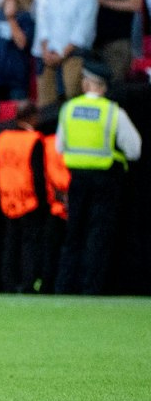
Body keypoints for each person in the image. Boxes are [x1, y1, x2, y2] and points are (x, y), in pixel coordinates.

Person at [54, 64, 142, 295]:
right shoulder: (113, 112)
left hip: (77, 180)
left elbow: (59, 147)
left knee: (73, 234)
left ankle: (64, 287)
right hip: (105, 181)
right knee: (97, 236)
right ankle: (89, 289)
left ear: (85, 84)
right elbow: (134, 150)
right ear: (103, 86)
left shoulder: (69, 108)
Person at [0, 103, 69, 293]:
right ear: (33, 117)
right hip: (28, 199)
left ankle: (8, 283)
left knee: (10, 243)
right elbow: (38, 173)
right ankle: (28, 283)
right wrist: (44, 200)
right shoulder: (34, 140)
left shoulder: (2, 138)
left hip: (7, 198)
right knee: (29, 244)